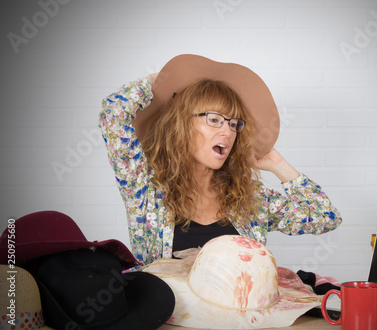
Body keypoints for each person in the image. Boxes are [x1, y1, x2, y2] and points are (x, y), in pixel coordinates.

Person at [99, 54, 342, 265]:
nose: (227, 131)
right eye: (214, 119)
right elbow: (112, 115)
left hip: (238, 317)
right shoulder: (144, 189)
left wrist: (277, 164)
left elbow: (326, 217)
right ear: (180, 125)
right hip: (167, 317)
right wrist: (156, 81)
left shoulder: (250, 199)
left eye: (234, 123)